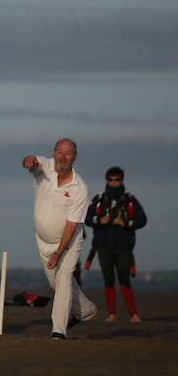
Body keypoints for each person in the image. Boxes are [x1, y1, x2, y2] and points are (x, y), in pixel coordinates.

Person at [22, 139, 98, 339]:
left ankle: (58, 330)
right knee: (57, 284)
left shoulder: (79, 187)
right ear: (54, 153)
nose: (63, 156)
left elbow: (72, 225)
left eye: (68, 153)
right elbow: (32, 161)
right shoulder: (45, 167)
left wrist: (59, 253)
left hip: (69, 241)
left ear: (75, 156)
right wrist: (28, 160)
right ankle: (86, 309)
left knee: (64, 279)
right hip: (42, 240)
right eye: (60, 152)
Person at [84, 166, 147, 323]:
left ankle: (133, 314)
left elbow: (142, 220)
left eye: (117, 179)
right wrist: (99, 220)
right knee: (108, 279)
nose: (114, 182)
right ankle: (111, 315)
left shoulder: (129, 200)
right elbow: (85, 217)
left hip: (123, 247)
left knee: (124, 279)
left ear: (122, 180)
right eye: (111, 179)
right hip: (103, 246)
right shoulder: (99, 199)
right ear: (107, 180)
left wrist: (125, 222)